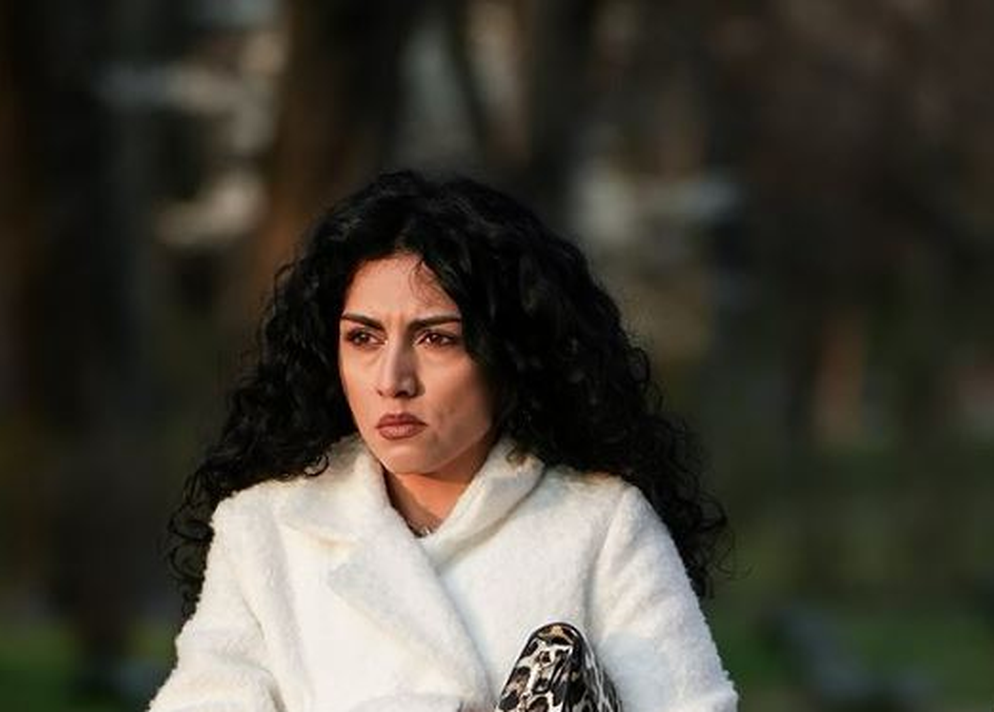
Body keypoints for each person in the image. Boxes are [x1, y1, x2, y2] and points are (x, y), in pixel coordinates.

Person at [149, 170, 739, 711]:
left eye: (437, 339)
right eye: (363, 338)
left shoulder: (601, 524)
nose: (392, 380)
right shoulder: (263, 532)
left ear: (511, 356)